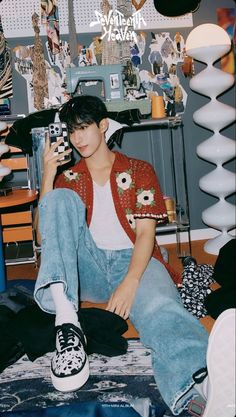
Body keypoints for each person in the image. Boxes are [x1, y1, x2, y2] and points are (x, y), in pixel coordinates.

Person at [34, 95, 235, 416]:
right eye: (72, 131)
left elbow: (145, 235)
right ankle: (66, 323)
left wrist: (131, 281)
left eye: (84, 128)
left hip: (136, 259)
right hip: (88, 266)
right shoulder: (68, 179)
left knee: (160, 308)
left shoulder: (139, 170)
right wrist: (47, 174)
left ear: (103, 126)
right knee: (57, 199)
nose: (78, 138)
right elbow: (46, 238)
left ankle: (196, 391)